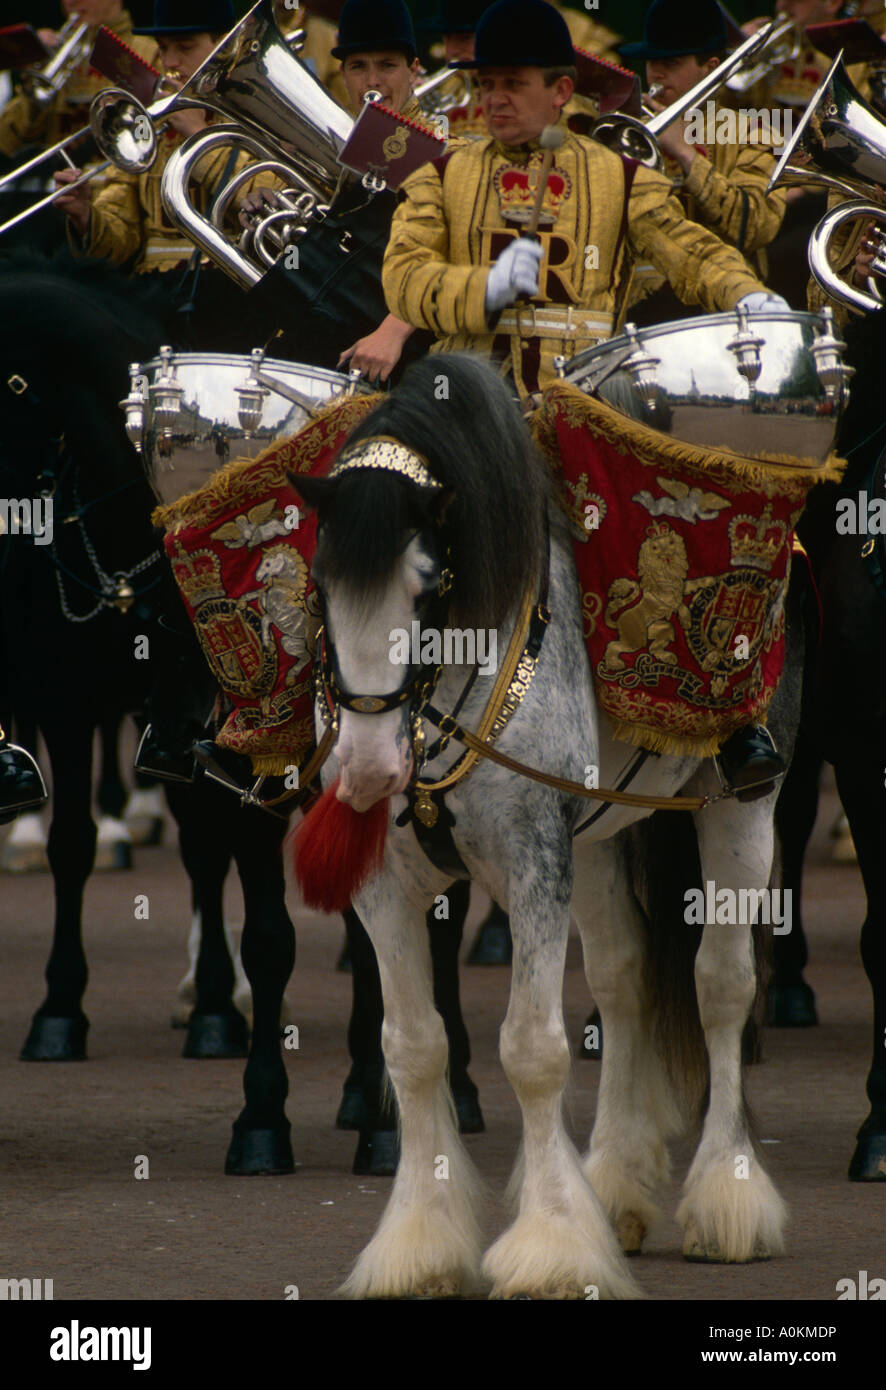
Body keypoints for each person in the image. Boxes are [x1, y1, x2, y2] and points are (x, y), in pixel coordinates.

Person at [383, 0, 791, 793]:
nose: (493, 98)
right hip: (467, 419)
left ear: (561, 89)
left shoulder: (618, 175)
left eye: (513, 84)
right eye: (484, 83)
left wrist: (746, 295)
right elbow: (402, 273)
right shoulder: (441, 172)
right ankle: (357, 711)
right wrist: (482, 288)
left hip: (582, 421)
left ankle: (725, 719)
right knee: (374, 517)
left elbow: (689, 247)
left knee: (668, 526)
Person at [241, 0, 433, 384]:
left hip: (401, 355)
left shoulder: (448, 152)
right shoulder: (325, 151)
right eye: (358, 67)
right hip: (315, 339)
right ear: (342, 74)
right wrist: (259, 209)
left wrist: (393, 331)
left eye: (387, 65)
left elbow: (453, 258)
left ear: (414, 71)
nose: (372, 81)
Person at [618, 0, 787, 321]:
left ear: (710, 68)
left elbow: (754, 228)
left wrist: (686, 154)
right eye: (650, 61)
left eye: (672, 63)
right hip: (636, 311)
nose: (656, 73)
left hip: (723, 312)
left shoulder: (756, 133)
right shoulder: (627, 128)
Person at [0, 0, 157, 159]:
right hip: (60, 177)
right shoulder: (55, 50)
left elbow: (151, 139)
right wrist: (32, 86)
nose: (71, 2)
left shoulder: (149, 52)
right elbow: (6, 143)